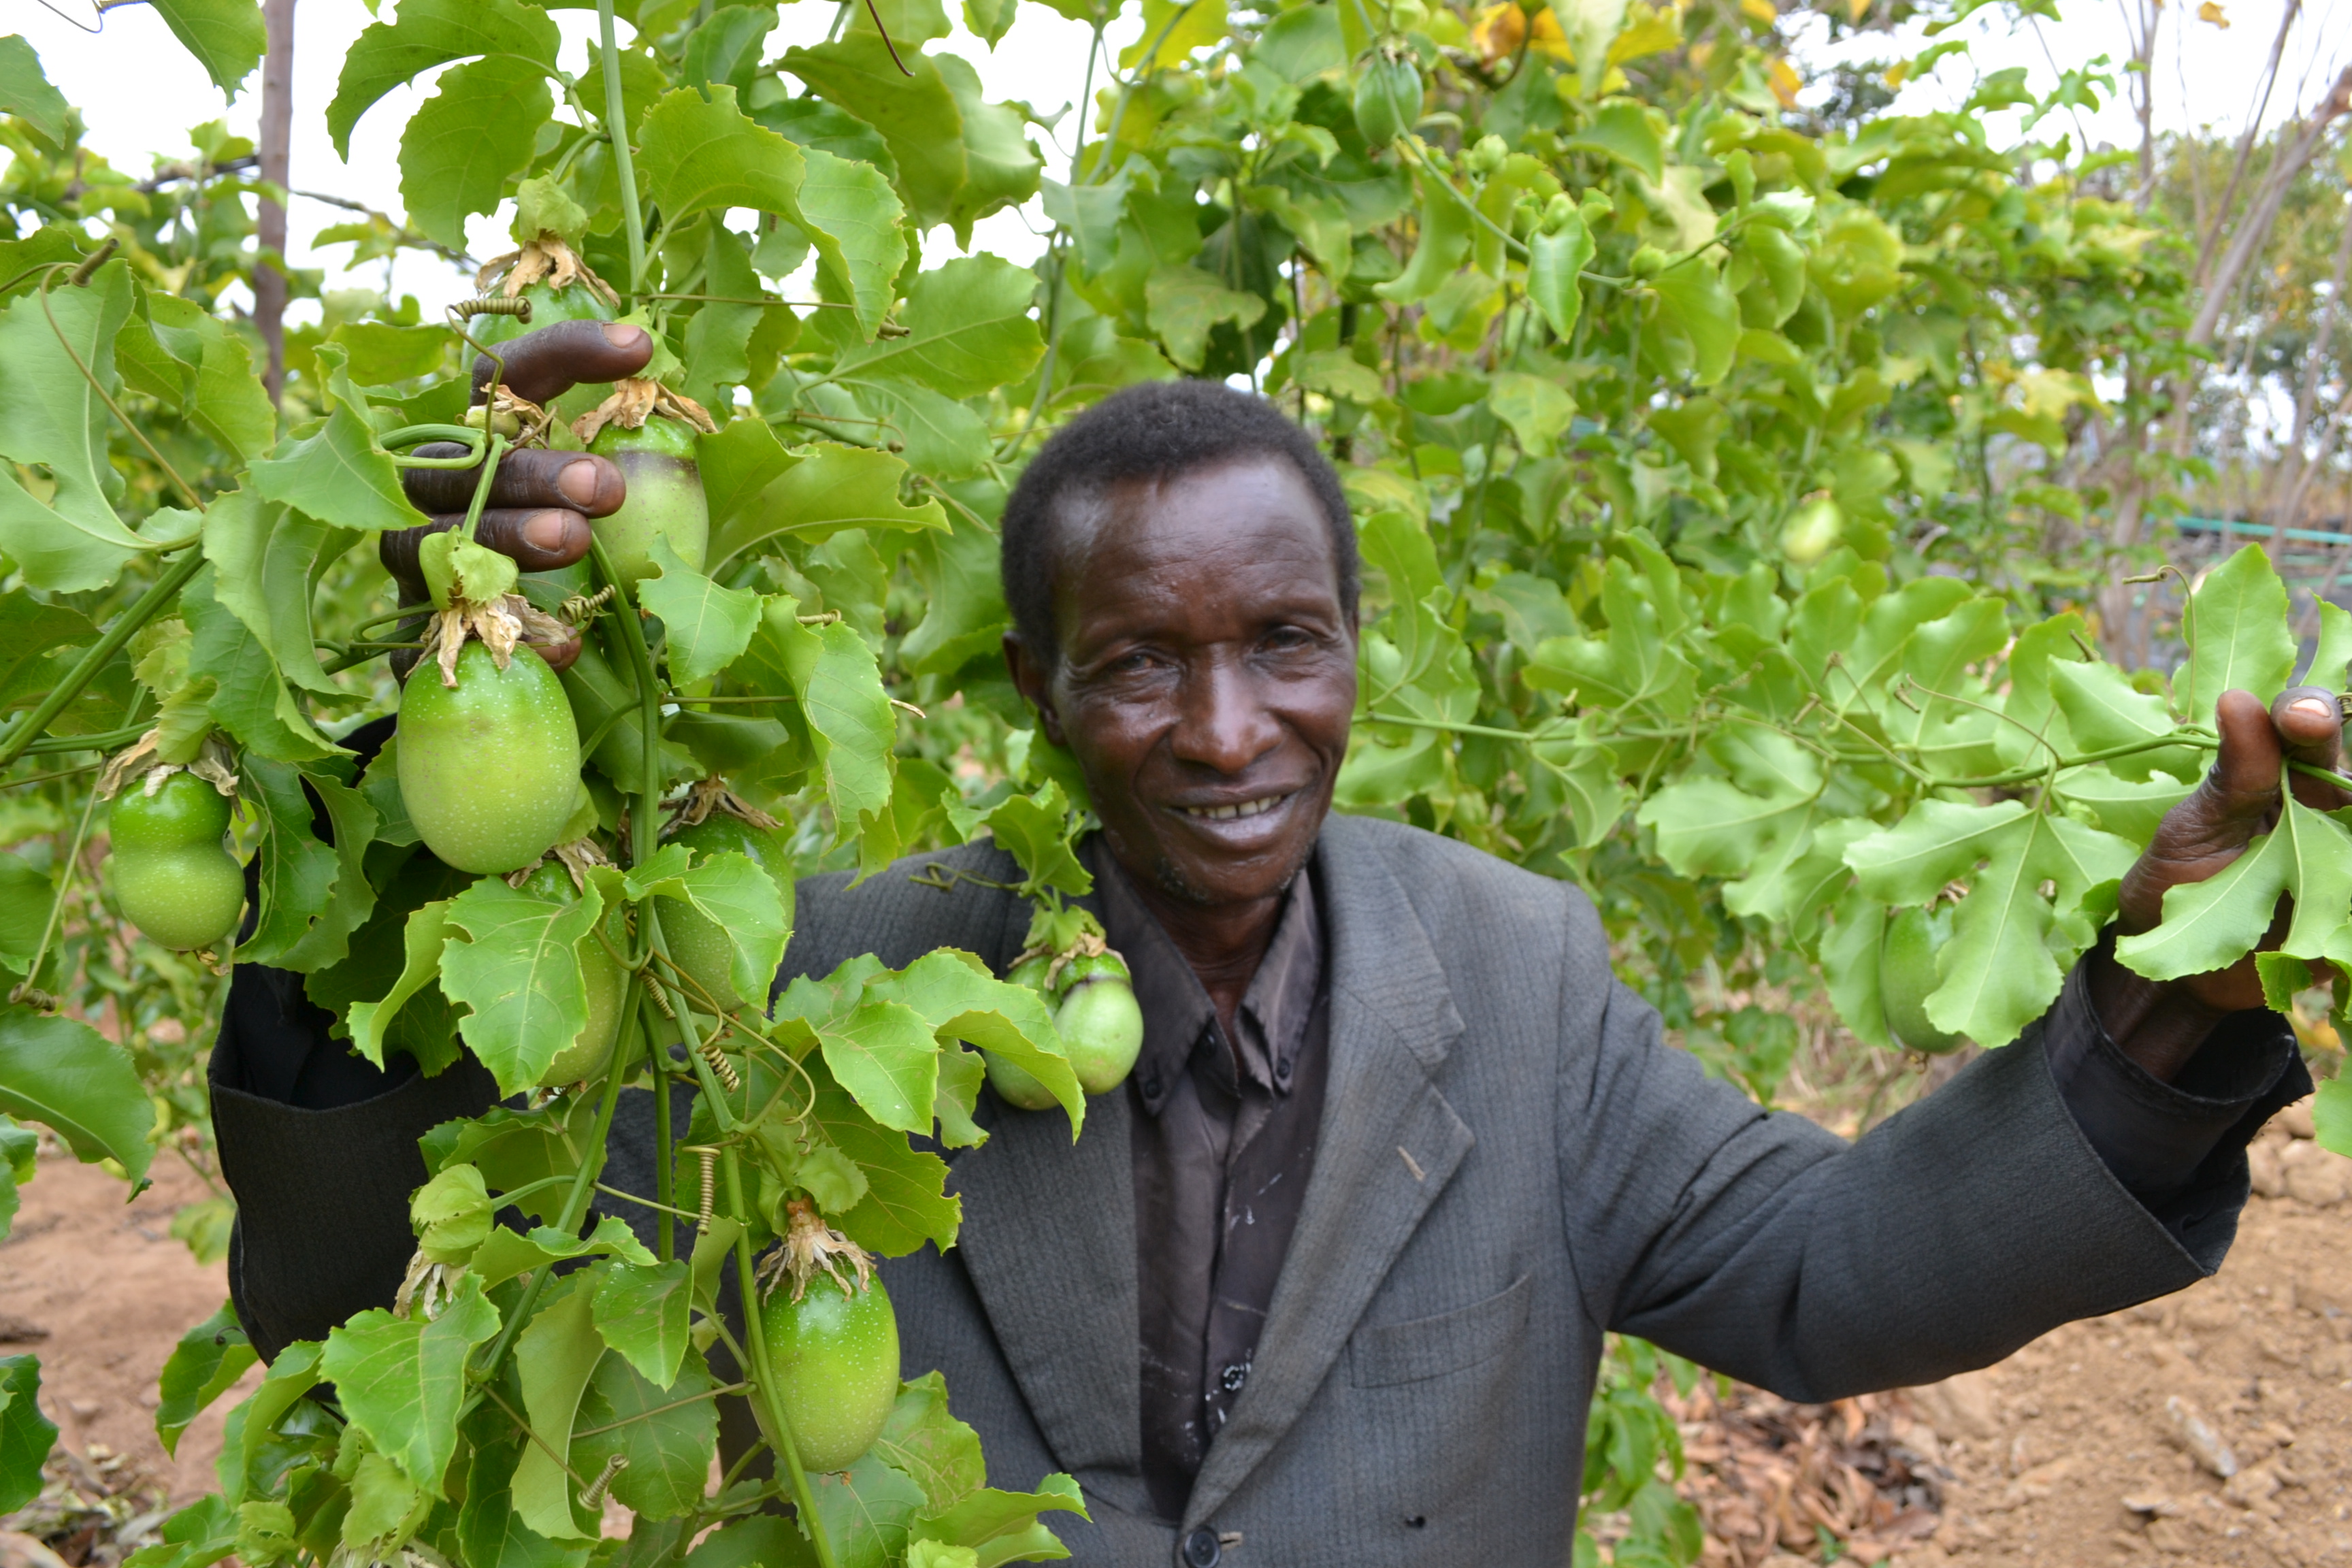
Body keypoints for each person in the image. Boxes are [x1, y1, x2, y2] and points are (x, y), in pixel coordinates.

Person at [212, 323, 2317, 1568]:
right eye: (1141, 661)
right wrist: (404, 776)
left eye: (1284, 644)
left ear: (1355, 654)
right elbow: (348, 1286)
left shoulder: (1518, 975)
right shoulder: (823, 995)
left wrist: (2165, 1003)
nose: (1227, 734)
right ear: (1037, 690)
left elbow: (1826, 1271)